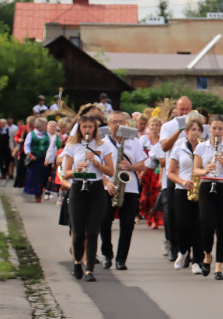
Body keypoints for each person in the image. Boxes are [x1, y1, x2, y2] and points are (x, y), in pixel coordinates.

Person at [62, 115, 115, 282]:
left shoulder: (103, 145)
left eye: (90, 127)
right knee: (78, 231)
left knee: (93, 231)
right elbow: (66, 172)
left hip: (96, 189)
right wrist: (78, 169)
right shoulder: (72, 146)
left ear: (95, 128)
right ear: (79, 128)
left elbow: (111, 171)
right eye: (84, 127)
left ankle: (89, 269)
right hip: (78, 188)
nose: (87, 130)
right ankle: (77, 261)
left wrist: (97, 163)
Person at [193, 115, 223, 280]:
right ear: (210, 129)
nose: (217, 132)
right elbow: (195, 170)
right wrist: (206, 170)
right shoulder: (202, 147)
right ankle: (207, 255)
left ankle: (219, 266)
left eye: (220, 129)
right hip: (207, 185)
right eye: (214, 128)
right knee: (206, 225)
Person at [99, 112, 147, 270]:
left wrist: (131, 167)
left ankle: (121, 259)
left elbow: (142, 164)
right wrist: (107, 182)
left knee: (127, 225)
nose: (117, 124)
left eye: (120, 121)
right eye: (114, 122)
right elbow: (97, 168)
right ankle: (107, 254)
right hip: (109, 186)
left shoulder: (133, 142)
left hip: (130, 187)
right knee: (105, 221)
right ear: (108, 123)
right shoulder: (102, 143)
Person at [167, 114, 206, 273]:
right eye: (193, 130)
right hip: (182, 190)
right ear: (187, 131)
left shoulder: (205, 148)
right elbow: (170, 173)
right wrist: (183, 182)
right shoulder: (178, 148)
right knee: (182, 224)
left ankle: (197, 260)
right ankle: (183, 251)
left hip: (200, 190)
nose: (196, 133)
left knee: (198, 225)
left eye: (199, 130)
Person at [157, 96, 194, 261]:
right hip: (173, 174)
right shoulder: (168, 126)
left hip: (191, 173)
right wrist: (179, 131)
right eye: (181, 109)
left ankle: (188, 248)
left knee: (190, 213)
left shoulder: (196, 124)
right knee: (171, 212)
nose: (184, 112)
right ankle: (173, 245)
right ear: (176, 110)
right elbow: (164, 146)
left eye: (187, 109)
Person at [22, 117, 51, 202]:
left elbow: (50, 146)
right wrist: (30, 155)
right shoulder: (31, 134)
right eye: (45, 124)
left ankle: (39, 193)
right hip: (34, 160)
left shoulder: (47, 135)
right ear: (40, 125)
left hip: (44, 159)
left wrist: (49, 157)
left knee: (43, 176)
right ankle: (36, 194)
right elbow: (26, 145)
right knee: (34, 177)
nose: (46, 126)